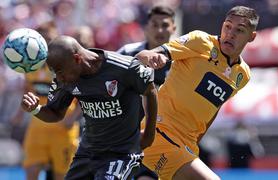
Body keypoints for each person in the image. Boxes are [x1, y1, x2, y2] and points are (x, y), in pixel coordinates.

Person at [135, 5, 260, 180]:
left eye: (240, 30)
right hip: (161, 132)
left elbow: (213, 109)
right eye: (228, 27)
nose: (230, 34)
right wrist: (151, 55)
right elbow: (157, 52)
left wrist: (196, 142)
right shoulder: (200, 41)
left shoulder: (243, 75)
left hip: (187, 145)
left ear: (251, 37)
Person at [21, 35, 158, 180]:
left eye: (59, 72)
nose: (58, 78)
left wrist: (149, 134)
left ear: (77, 59)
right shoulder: (64, 77)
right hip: (87, 152)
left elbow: (150, 90)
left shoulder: (123, 67)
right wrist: (35, 109)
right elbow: (55, 113)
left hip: (120, 153)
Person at [117, 6, 176, 179]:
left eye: (164, 25)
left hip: (165, 139)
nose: (159, 30)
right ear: (145, 27)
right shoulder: (127, 53)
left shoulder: (183, 62)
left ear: (173, 28)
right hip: (127, 137)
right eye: (154, 24)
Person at [22, 21, 81, 180]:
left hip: (62, 128)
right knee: (31, 172)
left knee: (61, 176)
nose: (47, 43)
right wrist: (19, 115)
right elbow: (27, 89)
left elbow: (84, 94)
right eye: (43, 39)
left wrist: (73, 117)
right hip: (37, 127)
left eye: (50, 39)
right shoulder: (30, 65)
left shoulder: (67, 64)